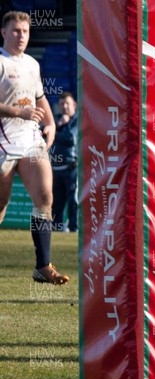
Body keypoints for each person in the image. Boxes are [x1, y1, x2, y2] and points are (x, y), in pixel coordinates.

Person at [0, 11, 69, 285]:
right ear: (3, 32)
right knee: (1, 206)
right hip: (4, 142)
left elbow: (40, 100)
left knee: (44, 196)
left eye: (25, 31)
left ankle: (43, 266)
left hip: (30, 141)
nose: (21, 36)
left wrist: (50, 123)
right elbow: (20, 109)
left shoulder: (32, 64)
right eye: (16, 31)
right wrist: (18, 112)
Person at [50, 91, 78, 232]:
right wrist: (58, 124)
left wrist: (54, 132)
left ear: (74, 105)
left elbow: (71, 139)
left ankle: (74, 228)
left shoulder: (79, 120)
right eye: (61, 104)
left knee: (74, 201)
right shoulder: (56, 120)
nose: (64, 106)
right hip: (55, 168)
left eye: (67, 103)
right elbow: (44, 132)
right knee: (56, 202)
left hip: (72, 168)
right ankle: (57, 228)